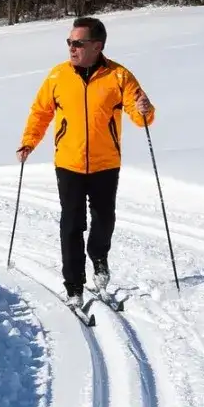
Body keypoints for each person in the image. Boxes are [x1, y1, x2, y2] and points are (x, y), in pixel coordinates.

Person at [16, 16, 155, 307]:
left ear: (97, 46)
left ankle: (99, 257)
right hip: (69, 163)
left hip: (106, 163)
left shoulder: (119, 76)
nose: (71, 47)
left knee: (104, 221)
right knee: (71, 224)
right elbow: (40, 113)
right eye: (69, 42)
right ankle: (74, 285)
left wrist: (145, 108)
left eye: (78, 43)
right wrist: (29, 141)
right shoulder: (58, 76)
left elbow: (139, 113)